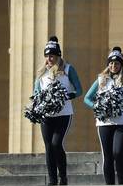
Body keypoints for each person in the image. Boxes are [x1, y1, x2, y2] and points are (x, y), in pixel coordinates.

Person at [83, 47, 123, 185]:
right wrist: (98, 107)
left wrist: (122, 98)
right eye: (111, 63)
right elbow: (87, 98)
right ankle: (109, 184)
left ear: (121, 65)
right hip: (105, 122)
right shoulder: (101, 79)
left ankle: (121, 182)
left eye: (117, 63)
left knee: (118, 152)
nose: (113, 66)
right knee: (107, 155)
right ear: (108, 64)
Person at [34, 37, 83, 186]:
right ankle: (52, 180)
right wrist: (38, 102)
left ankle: (63, 176)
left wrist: (66, 96)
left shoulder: (68, 69)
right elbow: (36, 92)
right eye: (47, 56)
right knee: (48, 146)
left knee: (56, 143)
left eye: (52, 56)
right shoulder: (41, 73)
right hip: (47, 115)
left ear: (58, 56)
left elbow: (79, 90)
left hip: (64, 113)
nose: (49, 59)